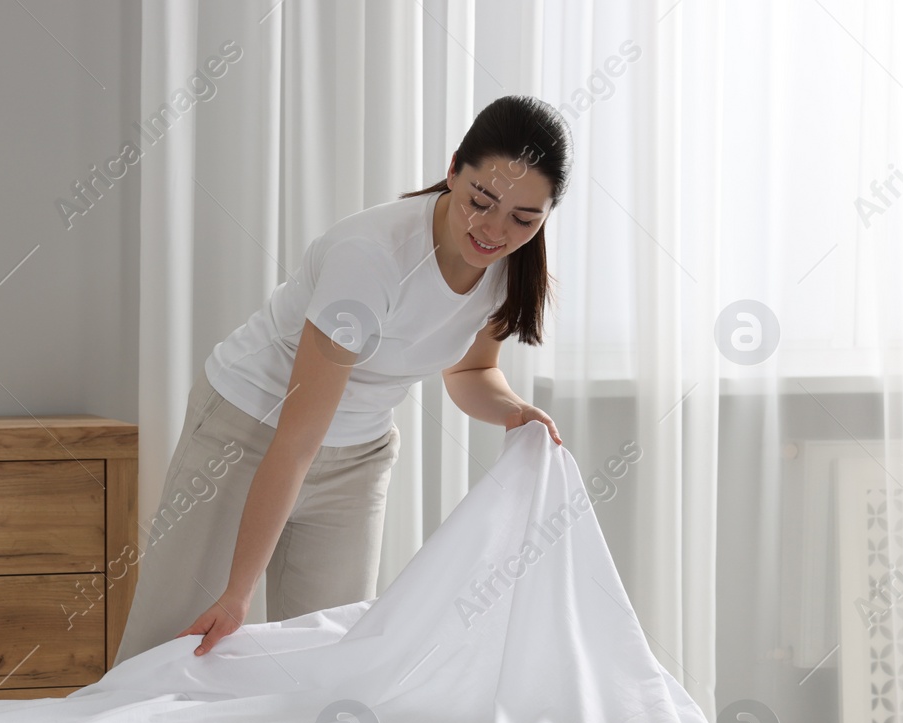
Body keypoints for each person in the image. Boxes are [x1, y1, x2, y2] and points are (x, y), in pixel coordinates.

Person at [114, 94, 571, 663]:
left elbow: (473, 369)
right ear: (454, 170)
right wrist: (237, 596)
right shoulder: (372, 256)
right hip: (247, 431)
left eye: (525, 218)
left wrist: (511, 409)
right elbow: (298, 437)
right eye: (483, 201)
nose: (495, 230)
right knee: (171, 647)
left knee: (324, 659)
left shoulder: (509, 267)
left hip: (357, 457)